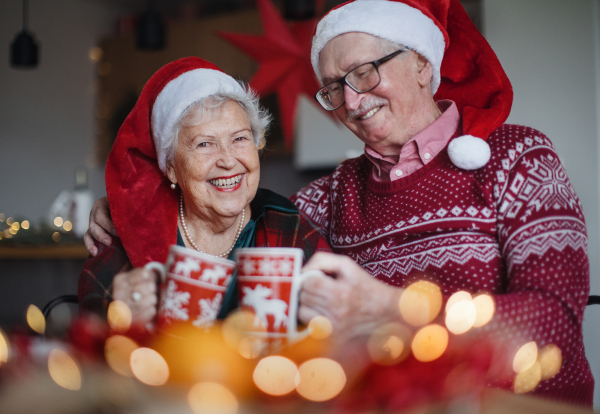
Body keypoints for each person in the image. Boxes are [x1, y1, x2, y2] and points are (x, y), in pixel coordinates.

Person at [85, 0, 593, 405]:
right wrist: (133, 206)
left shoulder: (518, 158)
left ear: (422, 63)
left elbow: (554, 327)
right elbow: (235, 211)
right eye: (333, 87)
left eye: (365, 72)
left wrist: (396, 310)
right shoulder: (332, 195)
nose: (350, 101)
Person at [78, 57, 329, 323]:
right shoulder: (133, 231)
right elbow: (89, 321)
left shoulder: (287, 225)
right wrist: (117, 315)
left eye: (240, 138)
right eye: (204, 144)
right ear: (171, 167)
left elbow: (339, 319)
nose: (228, 160)